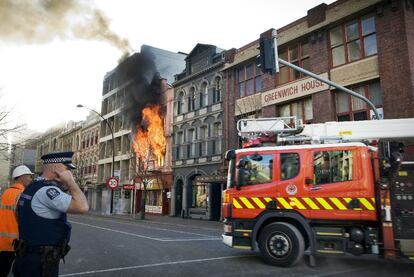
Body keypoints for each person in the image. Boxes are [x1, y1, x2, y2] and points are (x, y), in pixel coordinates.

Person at [13, 152, 89, 277]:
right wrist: (71, 182)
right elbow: (83, 207)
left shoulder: (31, 187)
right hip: (40, 264)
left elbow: (18, 215)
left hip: (26, 258)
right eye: (67, 169)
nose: (70, 173)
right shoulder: (48, 190)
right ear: (54, 168)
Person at [0, 165, 34, 277]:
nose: (30, 179)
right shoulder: (22, 194)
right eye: (29, 176)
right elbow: (24, 219)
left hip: (3, 242)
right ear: (22, 177)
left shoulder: (6, 192)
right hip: (15, 242)